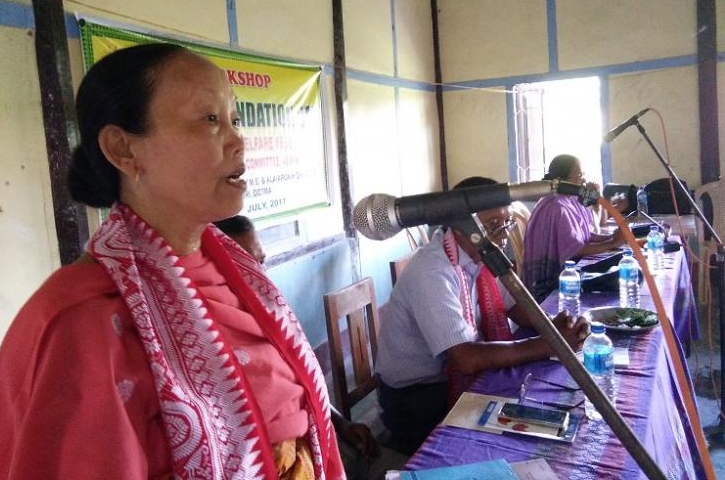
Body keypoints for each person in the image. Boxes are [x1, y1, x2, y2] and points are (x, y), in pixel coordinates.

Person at [0, 44, 344, 479]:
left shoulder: (236, 271)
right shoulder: (80, 321)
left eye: (235, 119)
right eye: (209, 119)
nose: (237, 140)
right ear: (124, 151)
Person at [374, 176, 590, 455]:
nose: (503, 235)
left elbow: (515, 307)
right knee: (509, 437)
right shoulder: (433, 270)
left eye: (506, 223)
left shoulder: (480, 254)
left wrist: (554, 327)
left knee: (537, 401)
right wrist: (550, 344)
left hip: (447, 377)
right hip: (416, 397)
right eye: (492, 225)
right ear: (461, 226)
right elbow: (466, 359)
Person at [215, 215, 407, 479]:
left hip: (324, 438)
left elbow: (305, 385)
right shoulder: (211, 344)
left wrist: (341, 423)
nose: (259, 274)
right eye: (244, 265)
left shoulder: (272, 316)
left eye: (261, 261)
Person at [522, 154, 625, 301]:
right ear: (561, 181)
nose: (583, 181)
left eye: (583, 175)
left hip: (572, 271)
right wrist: (612, 243)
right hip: (553, 285)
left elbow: (585, 234)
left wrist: (610, 237)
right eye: (579, 176)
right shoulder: (556, 206)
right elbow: (576, 250)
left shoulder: (570, 200)